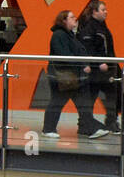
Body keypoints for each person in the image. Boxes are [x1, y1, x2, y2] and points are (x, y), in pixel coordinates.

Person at [42, 9, 107, 139]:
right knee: (59, 102)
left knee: (80, 103)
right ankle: (50, 129)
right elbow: (65, 55)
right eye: (72, 17)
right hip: (63, 76)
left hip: (72, 76)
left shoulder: (69, 35)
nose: (75, 19)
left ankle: (88, 128)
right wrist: (83, 65)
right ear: (64, 20)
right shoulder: (59, 35)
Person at [77, 0, 120, 133]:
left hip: (107, 68)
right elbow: (88, 48)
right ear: (95, 12)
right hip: (97, 71)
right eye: (103, 10)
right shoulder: (89, 29)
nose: (106, 12)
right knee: (92, 97)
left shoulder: (102, 27)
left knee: (112, 95)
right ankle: (85, 123)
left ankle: (111, 121)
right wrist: (98, 62)